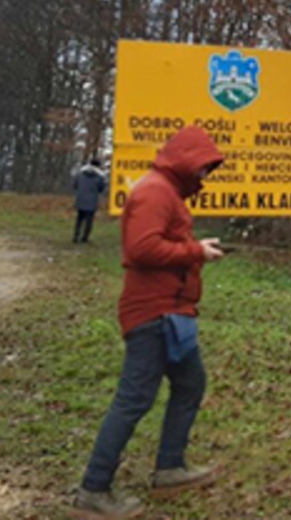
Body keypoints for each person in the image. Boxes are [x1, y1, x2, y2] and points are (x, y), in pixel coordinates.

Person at [71, 127, 225, 519]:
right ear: (186, 160)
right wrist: (196, 251)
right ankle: (94, 489)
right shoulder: (156, 192)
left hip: (171, 314)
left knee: (190, 384)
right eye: (204, 167)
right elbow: (140, 248)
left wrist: (194, 249)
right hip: (154, 315)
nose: (205, 176)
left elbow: (159, 240)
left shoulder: (166, 191)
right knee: (134, 398)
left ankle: (170, 468)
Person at [73, 158, 108, 244]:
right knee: (89, 220)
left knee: (79, 219)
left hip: (80, 199)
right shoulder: (100, 176)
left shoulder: (80, 173)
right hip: (92, 200)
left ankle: (76, 236)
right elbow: (101, 188)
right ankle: (85, 237)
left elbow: (75, 185)